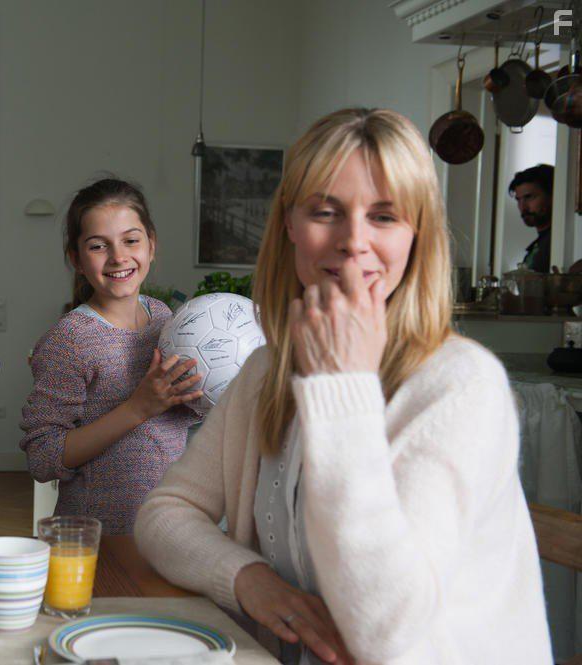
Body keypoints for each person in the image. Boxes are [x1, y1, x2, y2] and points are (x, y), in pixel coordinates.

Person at [134, 109, 551, 664]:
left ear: (417, 233)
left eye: (384, 215)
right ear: (289, 224)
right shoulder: (266, 371)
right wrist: (246, 578)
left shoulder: (462, 385)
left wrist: (344, 387)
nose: (354, 241)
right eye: (325, 212)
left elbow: (384, 633)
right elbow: (165, 511)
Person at [19, 178, 201, 535]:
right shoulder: (69, 339)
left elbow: (175, 421)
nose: (118, 257)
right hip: (98, 539)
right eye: (98, 245)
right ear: (76, 259)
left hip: (168, 530)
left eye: (131, 240)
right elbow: (42, 457)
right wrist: (137, 409)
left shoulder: (163, 317)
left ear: (151, 245)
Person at [509, 164, 554, 273]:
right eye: (518, 200)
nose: (523, 207)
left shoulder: (560, 242)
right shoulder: (539, 245)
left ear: (552, 196)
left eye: (529, 197)